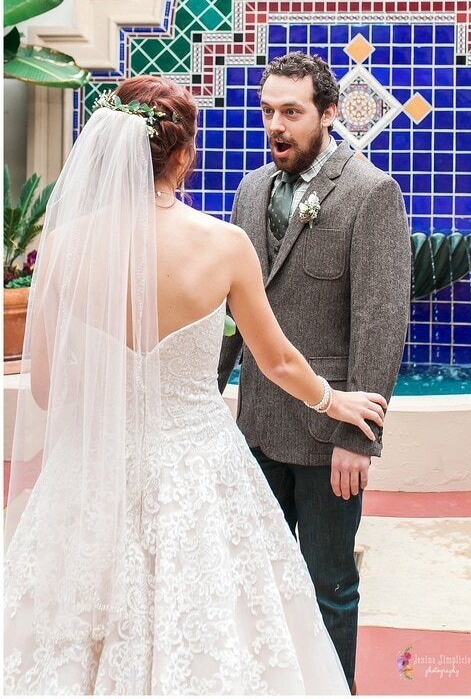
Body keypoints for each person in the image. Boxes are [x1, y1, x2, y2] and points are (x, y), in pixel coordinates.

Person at [4, 75, 388, 696]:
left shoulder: (66, 245)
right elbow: (278, 361)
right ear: (183, 155)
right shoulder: (223, 245)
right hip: (197, 470)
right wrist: (333, 398)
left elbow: (45, 388)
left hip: (94, 468)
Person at [218, 52, 412, 692]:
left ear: (329, 114)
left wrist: (357, 439)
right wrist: (205, 390)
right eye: (268, 111)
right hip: (257, 430)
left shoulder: (370, 193)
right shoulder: (250, 190)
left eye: (292, 113)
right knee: (258, 579)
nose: (276, 125)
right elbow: (235, 309)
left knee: (330, 584)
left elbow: (381, 323)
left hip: (329, 436)